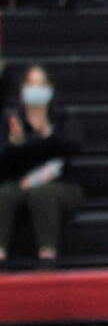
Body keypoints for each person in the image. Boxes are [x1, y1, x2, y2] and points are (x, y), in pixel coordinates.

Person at [0, 67, 83, 265]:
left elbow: (74, 147)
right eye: (31, 84)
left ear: (50, 89)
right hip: (19, 183)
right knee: (4, 194)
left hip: (60, 185)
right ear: (22, 90)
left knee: (43, 194)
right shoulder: (11, 122)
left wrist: (49, 134)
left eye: (41, 84)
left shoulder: (62, 119)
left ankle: (47, 254)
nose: (36, 89)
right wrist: (14, 144)